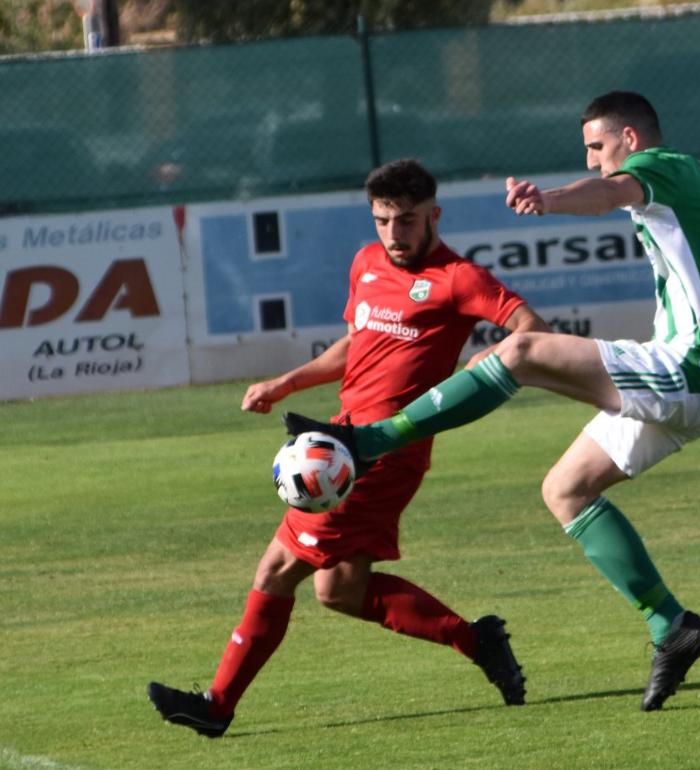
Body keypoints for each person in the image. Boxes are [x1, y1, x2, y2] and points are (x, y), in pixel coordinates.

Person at [287, 91, 700, 711]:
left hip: (689, 371)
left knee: (520, 353)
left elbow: (609, 192)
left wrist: (550, 199)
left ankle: (371, 440)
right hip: (699, 381)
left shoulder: (658, 169)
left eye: (598, 147)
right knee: (565, 489)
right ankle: (671, 627)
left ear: (629, 136)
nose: (595, 161)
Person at [148, 158, 544, 737]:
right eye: (383, 220)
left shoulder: (459, 278)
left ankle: (217, 705)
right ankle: (476, 639)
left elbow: (532, 330)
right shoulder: (365, 263)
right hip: (342, 438)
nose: (393, 233)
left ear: (433, 215)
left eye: (406, 220)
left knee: (277, 567)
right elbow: (359, 342)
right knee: (340, 589)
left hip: (383, 455)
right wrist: (287, 382)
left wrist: (478, 373)